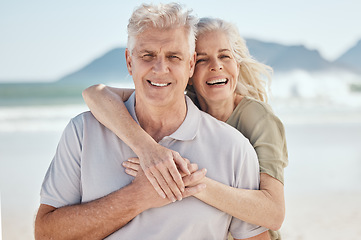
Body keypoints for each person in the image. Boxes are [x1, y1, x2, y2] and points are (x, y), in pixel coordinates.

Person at [35, 3, 270, 240]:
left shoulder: (234, 148)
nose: (160, 68)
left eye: (173, 57)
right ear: (129, 61)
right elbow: (45, 234)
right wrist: (137, 196)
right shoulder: (82, 133)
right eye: (147, 56)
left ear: (190, 64)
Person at [83, 17, 288, 239]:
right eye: (202, 59)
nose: (216, 65)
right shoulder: (184, 102)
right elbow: (96, 94)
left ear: (236, 65)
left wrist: (185, 180)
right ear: (189, 69)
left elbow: (274, 214)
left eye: (224, 56)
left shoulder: (258, 119)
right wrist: (147, 149)